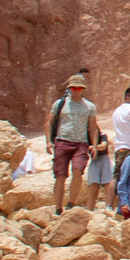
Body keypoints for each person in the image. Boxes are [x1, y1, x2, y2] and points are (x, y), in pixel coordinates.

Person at [47, 72, 101, 215]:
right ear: (69, 88)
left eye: (79, 89)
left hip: (80, 144)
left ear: (83, 90)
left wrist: (94, 145)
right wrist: (48, 142)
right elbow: (50, 122)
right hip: (62, 141)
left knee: (78, 172)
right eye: (74, 88)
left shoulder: (89, 107)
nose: (76, 91)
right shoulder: (60, 104)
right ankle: (58, 207)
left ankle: (71, 203)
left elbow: (92, 127)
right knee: (60, 175)